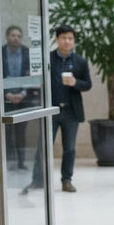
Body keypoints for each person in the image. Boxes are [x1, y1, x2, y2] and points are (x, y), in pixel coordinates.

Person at [28, 24, 91, 193]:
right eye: (63, 38)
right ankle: (37, 179)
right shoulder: (47, 59)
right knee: (43, 146)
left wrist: (75, 83)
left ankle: (66, 180)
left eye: (70, 38)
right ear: (57, 40)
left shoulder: (80, 62)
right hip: (51, 110)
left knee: (69, 148)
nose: (67, 41)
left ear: (74, 41)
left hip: (71, 111)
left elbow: (88, 85)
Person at [1, 25, 33, 170]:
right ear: (7, 36)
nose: (16, 38)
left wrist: (23, 93)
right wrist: (5, 93)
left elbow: (32, 76)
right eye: (13, 35)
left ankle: (21, 162)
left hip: (23, 98)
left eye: (19, 36)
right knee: (6, 132)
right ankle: (7, 162)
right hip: (5, 99)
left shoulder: (27, 52)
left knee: (21, 132)